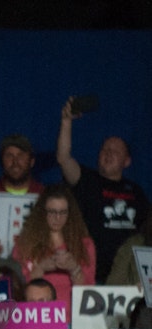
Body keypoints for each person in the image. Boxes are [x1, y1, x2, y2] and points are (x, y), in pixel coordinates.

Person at [56, 96, 151, 282]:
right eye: (104, 150)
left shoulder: (136, 192)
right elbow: (63, 158)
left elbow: (146, 233)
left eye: (115, 152)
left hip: (127, 277)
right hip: (90, 273)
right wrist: (66, 122)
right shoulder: (87, 180)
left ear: (127, 161)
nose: (108, 154)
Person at [11, 184, 95, 312]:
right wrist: (40, 268)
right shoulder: (25, 244)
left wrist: (74, 269)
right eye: (52, 212)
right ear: (42, 213)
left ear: (70, 213)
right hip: (36, 317)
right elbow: (17, 290)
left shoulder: (84, 245)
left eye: (63, 212)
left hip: (72, 319)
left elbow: (90, 293)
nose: (58, 218)